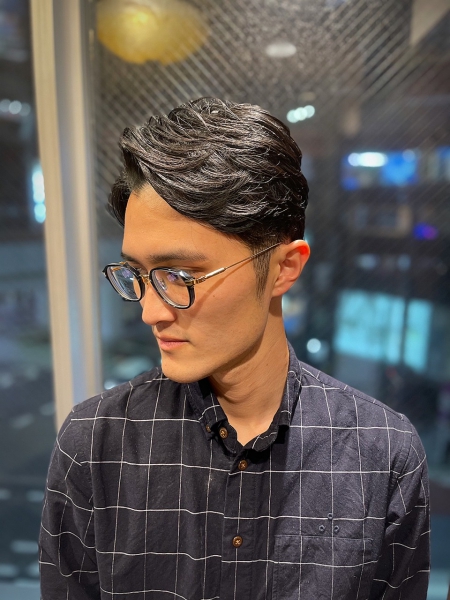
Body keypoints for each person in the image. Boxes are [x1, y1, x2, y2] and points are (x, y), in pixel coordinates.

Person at [39, 97, 430, 599]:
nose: (150, 311)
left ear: (284, 268)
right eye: (137, 274)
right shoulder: (95, 444)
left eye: (181, 275)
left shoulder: (383, 455)